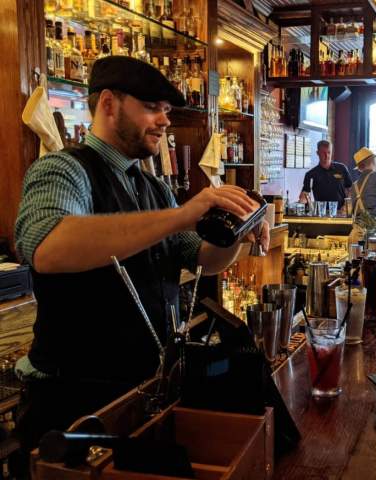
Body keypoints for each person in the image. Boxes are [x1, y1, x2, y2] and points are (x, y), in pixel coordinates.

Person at [11, 56, 268, 473]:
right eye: (152, 106)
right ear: (109, 104)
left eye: (167, 110)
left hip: (142, 395)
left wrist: (238, 234)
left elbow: (202, 257)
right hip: (73, 408)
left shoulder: (152, 186)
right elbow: (47, 247)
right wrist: (186, 213)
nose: (165, 121)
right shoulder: (62, 169)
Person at [298, 140, 352, 209]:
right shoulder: (311, 174)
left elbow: (350, 189)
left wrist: (347, 205)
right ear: (317, 153)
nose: (327, 156)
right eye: (323, 153)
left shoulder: (342, 168)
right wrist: (300, 203)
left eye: (329, 152)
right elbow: (304, 195)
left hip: (341, 211)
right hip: (321, 214)